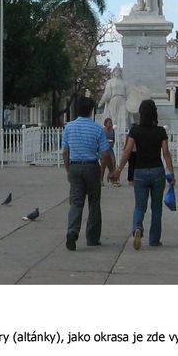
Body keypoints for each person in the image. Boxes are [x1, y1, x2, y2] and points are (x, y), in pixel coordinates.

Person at [111, 99, 176, 249]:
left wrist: (119, 170)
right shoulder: (161, 131)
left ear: (140, 113)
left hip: (139, 171)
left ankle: (137, 228)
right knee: (156, 208)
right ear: (154, 113)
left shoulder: (135, 130)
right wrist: (171, 173)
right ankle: (154, 240)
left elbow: (127, 151)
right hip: (157, 171)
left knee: (140, 206)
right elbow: (166, 153)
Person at [62, 96, 115, 251]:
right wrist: (111, 171)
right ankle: (92, 238)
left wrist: (68, 169)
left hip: (75, 167)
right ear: (91, 110)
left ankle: (72, 231)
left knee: (76, 203)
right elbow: (105, 154)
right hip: (92, 167)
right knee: (94, 202)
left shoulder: (69, 127)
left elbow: (65, 152)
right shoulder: (97, 128)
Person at [99, 65, 129, 136]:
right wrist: (101, 102)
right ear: (114, 72)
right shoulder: (110, 82)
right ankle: (113, 135)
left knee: (124, 117)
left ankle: (122, 136)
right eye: (116, 71)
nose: (118, 72)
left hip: (123, 100)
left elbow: (128, 93)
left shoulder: (124, 82)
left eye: (119, 71)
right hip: (114, 100)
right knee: (113, 118)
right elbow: (107, 93)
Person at [102, 118, 120, 187]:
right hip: (104, 149)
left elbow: (113, 139)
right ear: (105, 123)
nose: (110, 124)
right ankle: (101, 180)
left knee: (113, 162)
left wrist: (112, 144)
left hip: (110, 149)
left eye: (111, 123)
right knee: (103, 165)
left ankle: (113, 179)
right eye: (109, 123)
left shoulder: (112, 130)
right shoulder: (103, 130)